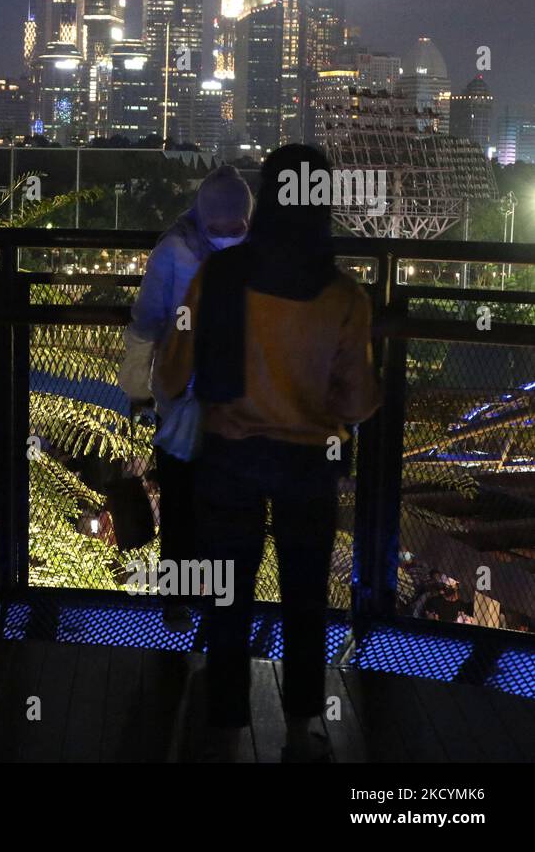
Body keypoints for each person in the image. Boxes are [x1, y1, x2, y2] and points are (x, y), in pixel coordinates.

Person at [155, 144, 380, 762]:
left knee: (228, 591)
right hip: (308, 468)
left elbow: (173, 370)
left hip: (228, 458)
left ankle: (223, 722)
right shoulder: (344, 298)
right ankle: (304, 726)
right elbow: (358, 402)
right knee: (306, 595)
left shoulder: (217, 276)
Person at [118, 166, 253, 631]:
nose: (229, 234)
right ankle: (217, 603)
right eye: (225, 227)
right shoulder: (246, 252)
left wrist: (138, 391)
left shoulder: (175, 249)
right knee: (211, 504)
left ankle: (182, 599)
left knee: (181, 500)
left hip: (185, 399)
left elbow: (145, 325)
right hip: (221, 401)